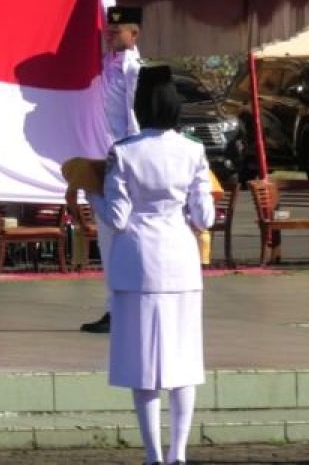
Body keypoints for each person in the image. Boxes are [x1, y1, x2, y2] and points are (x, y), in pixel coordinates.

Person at [89, 65, 214, 465]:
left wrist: (92, 193)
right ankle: (179, 453)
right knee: (183, 360)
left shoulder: (123, 151)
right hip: (179, 259)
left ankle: (153, 455)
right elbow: (204, 217)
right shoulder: (193, 150)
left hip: (138, 262)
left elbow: (118, 217)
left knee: (142, 364)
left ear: (140, 106)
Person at [82, 4, 143, 335]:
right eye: (108, 29)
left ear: (134, 35)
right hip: (103, 157)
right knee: (107, 238)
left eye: (116, 31)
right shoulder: (106, 64)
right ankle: (114, 307)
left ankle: (127, 306)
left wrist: (132, 158)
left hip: (124, 159)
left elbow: (135, 117)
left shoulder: (134, 70)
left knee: (122, 233)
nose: (109, 34)